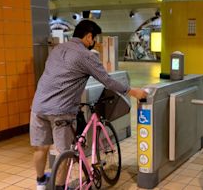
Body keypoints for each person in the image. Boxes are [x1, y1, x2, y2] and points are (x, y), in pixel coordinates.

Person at [30, 20, 148, 190]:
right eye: (94, 39)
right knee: (65, 154)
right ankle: (59, 187)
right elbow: (107, 81)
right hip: (61, 110)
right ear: (88, 37)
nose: (94, 43)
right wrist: (133, 92)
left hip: (38, 106)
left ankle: (41, 182)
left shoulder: (58, 49)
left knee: (41, 148)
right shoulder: (86, 55)